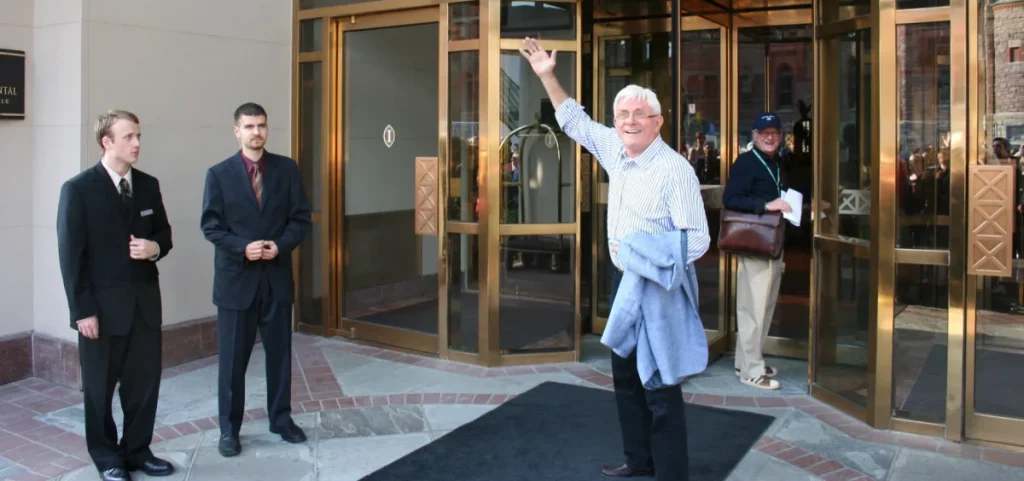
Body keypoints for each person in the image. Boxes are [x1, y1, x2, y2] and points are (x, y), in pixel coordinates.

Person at [520, 38, 710, 480]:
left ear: (658, 122)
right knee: (625, 379)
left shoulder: (675, 170)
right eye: (622, 114)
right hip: (625, 285)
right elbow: (573, 121)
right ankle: (639, 461)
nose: (629, 121)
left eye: (638, 114)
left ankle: (670, 473)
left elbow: (697, 240)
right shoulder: (615, 151)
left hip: (660, 287)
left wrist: (644, 253)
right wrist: (548, 75)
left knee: (660, 387)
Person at [57, 110, 175, 481]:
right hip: (101, 313)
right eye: (128, 137)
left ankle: (138, 451)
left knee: (143, 385)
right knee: (99, 390)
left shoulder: (149, 185)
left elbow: (165, 235)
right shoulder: (78, 190)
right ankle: (107, 457)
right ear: (107, 142)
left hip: (143, 307)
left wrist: (153, 248)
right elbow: (71, 258)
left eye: (138, 135)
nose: (137, 143)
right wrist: (83, 312)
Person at [200, 102, 312, 457]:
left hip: (276, 279)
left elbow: (300, 220)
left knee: (279, 356)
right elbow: (211, 226)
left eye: (261, 125)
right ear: (237, 131)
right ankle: (229, 431)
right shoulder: (218, 175)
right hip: (237, 283)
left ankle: (281, 419)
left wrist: (279, 246)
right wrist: (242, 248)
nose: (256, 132)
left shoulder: (287, 169)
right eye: (249, 126)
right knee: (233, 362)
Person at [722, 113, 792, 390]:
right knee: (752, 309)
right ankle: (751, 371)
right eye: (765, 133)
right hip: (755, 245)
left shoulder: (777, 162)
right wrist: (766, 205)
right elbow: (732, 199)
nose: (770, 137)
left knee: (764, 307)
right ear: (754, 135)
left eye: (774, 132)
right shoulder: (746, 162)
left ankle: (747, 360)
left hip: (772, 243)